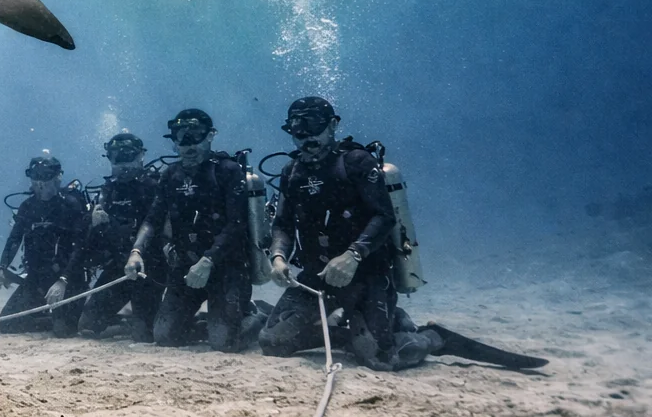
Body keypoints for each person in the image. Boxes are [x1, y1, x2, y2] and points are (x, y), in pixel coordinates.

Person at [261, 97, 549, 371]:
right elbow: (283, 224)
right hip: (318, 276)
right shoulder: (291, 172)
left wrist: (353, 255)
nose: (306, 138)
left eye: (313, 127)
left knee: (382, 360)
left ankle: (434, 337)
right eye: (297, 130)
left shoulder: (357, 162)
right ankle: (358, 336)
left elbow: (384, 216)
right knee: (273, 342)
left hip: (366, 274)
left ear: (333, 125)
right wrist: (278, 258)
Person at [126, 109, 260, 351]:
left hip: (226, 267)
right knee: (164, 336)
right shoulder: (170, 175)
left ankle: (253, 316)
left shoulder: (228, 171)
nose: (188, 145)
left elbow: (236, 224)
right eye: (180, 137)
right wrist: (136, 251)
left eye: (195, 135)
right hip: (186, 267)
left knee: (224, 344)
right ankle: (215, 321)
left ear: (210, 136)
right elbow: (152, 220)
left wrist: (208, 260)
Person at [66, 131, 165, 341]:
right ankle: (124, 321)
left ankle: (169, 319)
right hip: (118, 268)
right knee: (87, 327)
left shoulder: (154, 187)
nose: (123, 163)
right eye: (116, 157)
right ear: (109, 159)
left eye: (128, 155)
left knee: (145, 336)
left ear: (141, 157)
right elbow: (85, 237)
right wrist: (91, 221)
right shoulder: (108, 191)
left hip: (150, 269)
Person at [0, 155, 87, 336]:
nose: (40, 182)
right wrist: (2, 268)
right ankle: (46, 316)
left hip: (68, 279)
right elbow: (14, 239)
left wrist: (63, 280)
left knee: (64, 331)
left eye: (46, 176)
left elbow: (79, 247)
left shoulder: (70, 205)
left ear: (58, 177)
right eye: (35, 176)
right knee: (7, 325)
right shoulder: (27, 207)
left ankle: (65, 315)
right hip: (37, 277)